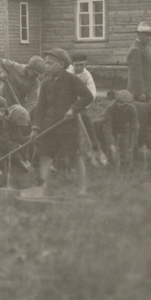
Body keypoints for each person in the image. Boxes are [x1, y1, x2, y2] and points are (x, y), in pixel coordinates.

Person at [30, 48, 94, 195]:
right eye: (46, 63)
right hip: (48, 127)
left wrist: (73, 109)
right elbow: (40, 108)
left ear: (61, 64)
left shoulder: (72, 80)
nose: (46, 66)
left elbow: (87, 96)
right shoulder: (45, 84)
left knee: (74, 156)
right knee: (45, 155)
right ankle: (42, 188)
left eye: (50, 64)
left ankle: (82, 189)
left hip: (67, 127)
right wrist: (35, 128)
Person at [68, 53, 102, 161]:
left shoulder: (87, 75)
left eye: (82, 65)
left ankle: (94, 146)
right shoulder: (67, 72)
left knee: (86, 122)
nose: (79, 67)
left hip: (81, 104)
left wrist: (82, 104)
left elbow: (92, 93)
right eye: (77, 65)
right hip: (67, 104)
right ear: (72, 64)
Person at [98, 90, 139, 170]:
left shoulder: (132, 108)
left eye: (126, 106)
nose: (124, 108)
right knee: (100, 127)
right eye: (122, 106)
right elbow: (107, 128)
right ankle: (106, 155)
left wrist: (132, 145)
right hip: (111, 126)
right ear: (116, 103)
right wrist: (112, 145)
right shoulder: (110, 108)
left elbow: (134, 127)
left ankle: (123, 161)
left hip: (124, 127)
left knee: (124, 155)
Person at [126, 22, 151, 102]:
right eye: (146, 35)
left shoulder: (144, 48)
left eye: (150, 35)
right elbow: (135, 73)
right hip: (139, 94)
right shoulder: (136, 49)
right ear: (138, 35)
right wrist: (140, 92)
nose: (149, 38)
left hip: (147, 91)